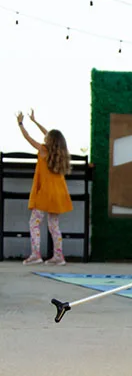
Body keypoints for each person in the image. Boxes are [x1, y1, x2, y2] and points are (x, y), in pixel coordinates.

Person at [15, 109, 73, 265]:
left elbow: (27, 137)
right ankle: (59, 256)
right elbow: (49, 135)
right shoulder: (60, 152)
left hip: (45, 194)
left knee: (34, 223)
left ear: (49, 141)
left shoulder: (43, 150)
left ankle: (36, 254)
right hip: (59, 194)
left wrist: (21, 124)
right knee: (54, 225)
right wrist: (35, 121)